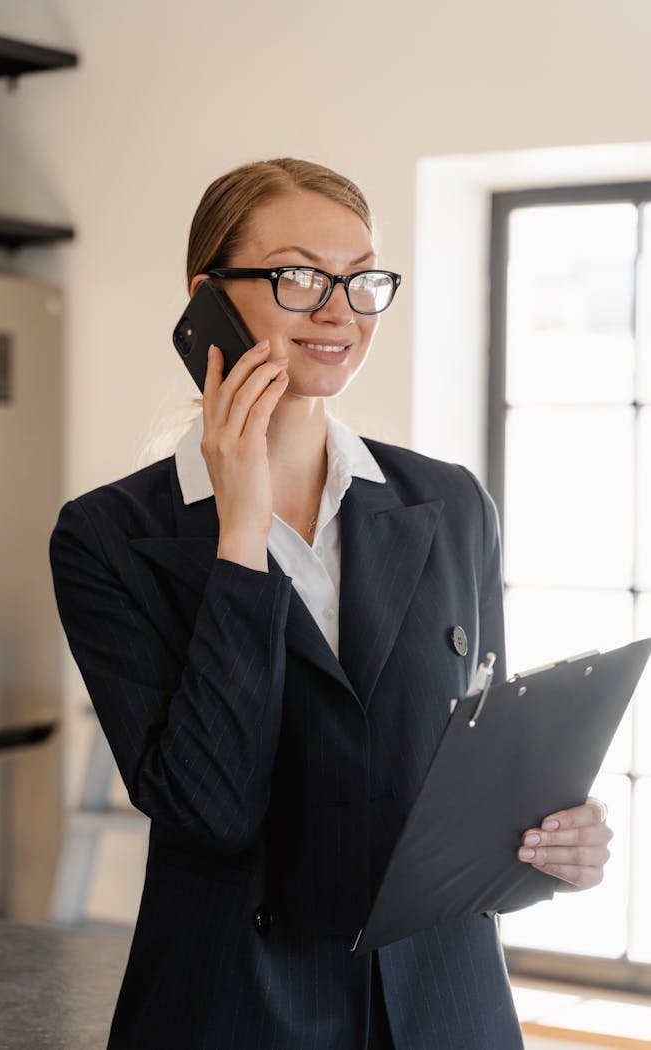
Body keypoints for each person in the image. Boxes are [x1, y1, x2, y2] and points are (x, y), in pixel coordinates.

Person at [49, 158, 613, 1050]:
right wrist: (241, 535)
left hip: (445, 1004)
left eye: (363, 280)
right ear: (209, 299)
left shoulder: (450, 502)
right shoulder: (109, 537)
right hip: (238, 1008)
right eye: (301, 275)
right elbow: (210, 812)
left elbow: (476, 755)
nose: (341, 311)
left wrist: (554, 838)